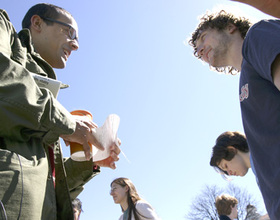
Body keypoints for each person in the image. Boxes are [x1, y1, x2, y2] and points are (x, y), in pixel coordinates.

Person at [0, 3, 121, 220]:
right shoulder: (3, 28)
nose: (75, 46)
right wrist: (70, 124)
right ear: (37, 23)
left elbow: (50, 186)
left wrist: (89, 159)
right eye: (70, 32)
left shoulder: (45, 101)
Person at [189, 9, 280, 219]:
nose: (200, 50)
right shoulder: (244, 84)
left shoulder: (258, 35)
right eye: (197, 51)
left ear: (229, 27)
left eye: (203, 38)